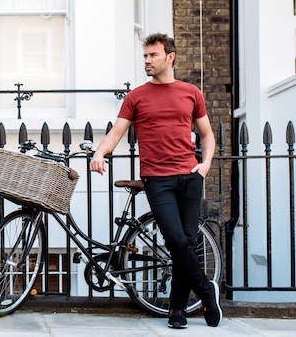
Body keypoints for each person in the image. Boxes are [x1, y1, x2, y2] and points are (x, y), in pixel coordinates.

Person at [89, 33, 222, 329]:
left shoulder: (190, 92)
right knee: (175, 238)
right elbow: (116, 133)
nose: (147, 61)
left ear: (169, 57)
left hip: (189, 177)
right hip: (157, 180)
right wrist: (100, 152)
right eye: (145, 56)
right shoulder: (136, 96)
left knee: (185, 243)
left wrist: (204, 165)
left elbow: (207, 134)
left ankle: (177, 309)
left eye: (153, 56)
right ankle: (206, 293)